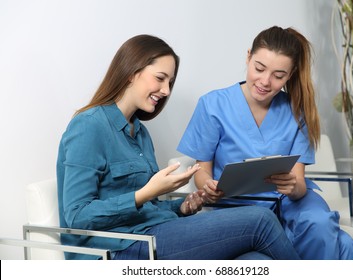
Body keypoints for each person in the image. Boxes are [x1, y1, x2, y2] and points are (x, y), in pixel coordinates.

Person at [56, 34, 300, 260]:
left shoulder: (139, 132)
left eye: (170, 82)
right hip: (119, 248)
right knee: (260, 220)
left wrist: (182, 206)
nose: (166, 91)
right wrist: (147, 192)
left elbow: (146, 208)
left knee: (255, 260)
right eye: (160, 79)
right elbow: (77, 217)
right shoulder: (89, 126)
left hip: (154, 231)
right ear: (131, 72)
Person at [177, 26, 353, 260]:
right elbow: (201, 172)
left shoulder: (297, 110)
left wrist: (293, 186)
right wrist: (208, 187)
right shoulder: (212, 105)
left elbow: (300, 183)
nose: (265, 81)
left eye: (278, 75)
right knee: (343, 245)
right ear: (248, 57)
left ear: (290, 75)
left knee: (320, 225)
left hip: (292, 203)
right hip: (238, 210)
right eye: (259, 68)